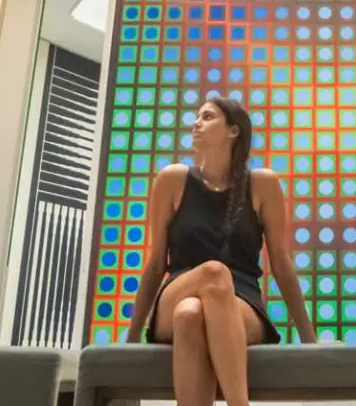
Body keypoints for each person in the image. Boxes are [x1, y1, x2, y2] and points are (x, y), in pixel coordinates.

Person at [125, 95, 316, 406]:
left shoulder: (263, 185)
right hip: (179, 288)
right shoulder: (172, 179)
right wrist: (131, 340)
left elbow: (281, 263)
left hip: (242, 301)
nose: (196, 123)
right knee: (213, 275)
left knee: (190, 315)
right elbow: (156, 262)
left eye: (208, 117)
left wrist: (310, 340)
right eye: (197, 116)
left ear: (233, 131)